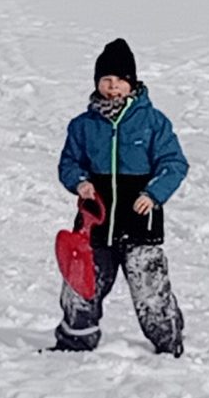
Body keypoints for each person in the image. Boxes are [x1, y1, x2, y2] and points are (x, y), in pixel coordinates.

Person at [53, 38, 188, 356]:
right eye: (106, 81)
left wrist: (154, 194)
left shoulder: (153, 122)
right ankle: (76, 338)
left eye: (119, 82)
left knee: (149, 289)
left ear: (132, 84)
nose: (112, 88)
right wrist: (80, 182)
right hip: (94, 225)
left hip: (140, 225)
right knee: (81, 284)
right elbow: (68, 163)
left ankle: (169, 343)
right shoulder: (83, 126)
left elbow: (174, 164)